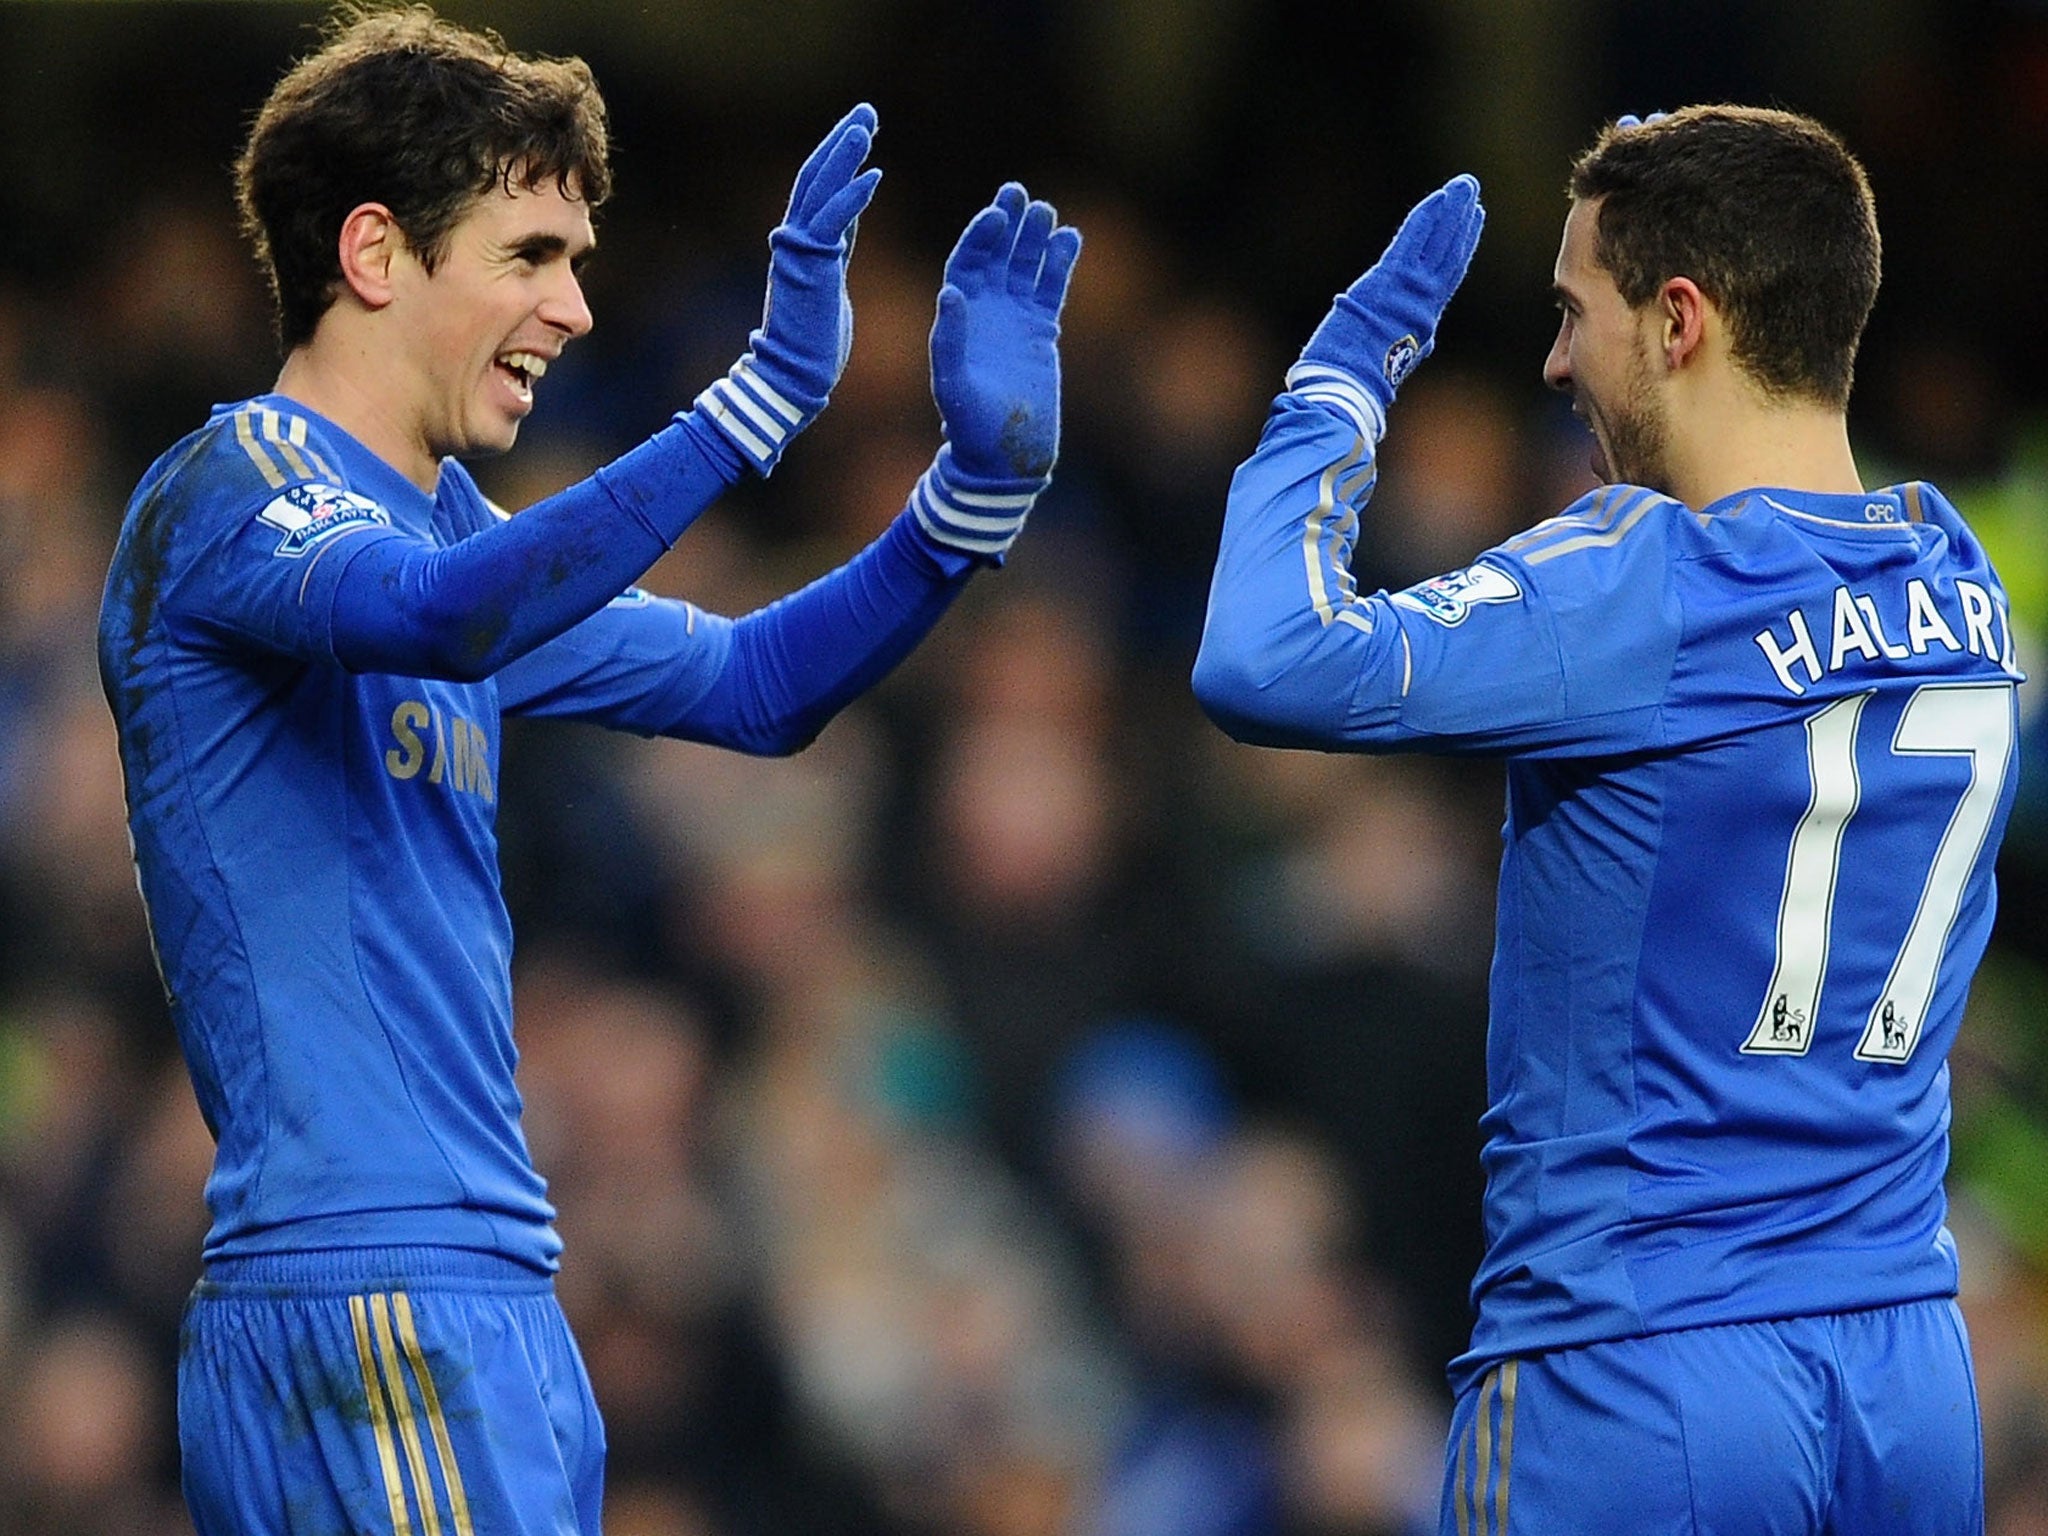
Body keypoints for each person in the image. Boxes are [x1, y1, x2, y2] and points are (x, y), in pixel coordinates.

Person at [96, 8, 1079, 1534]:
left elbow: (757, 688)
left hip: (479, 1291)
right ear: (374, 255)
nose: (574, 308)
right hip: (372, 1287)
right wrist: (742, 411)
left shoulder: (455, 537)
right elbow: (434, 621)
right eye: (530, 254)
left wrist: (967, 506)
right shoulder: (237, 491)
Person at [1193, 105, 2018, 1535]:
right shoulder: (1963, 586)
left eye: (1579, 312)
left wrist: (1339, 378)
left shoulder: (1640, 582)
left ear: (1679, 319)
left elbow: (1260, 659)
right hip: (1905, 1379)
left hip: (1642, 1378)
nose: (1558, 361)